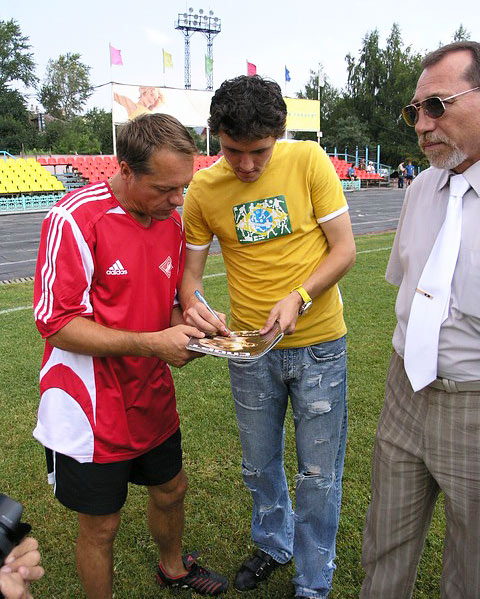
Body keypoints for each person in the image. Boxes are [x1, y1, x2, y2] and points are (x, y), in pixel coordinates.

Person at [33, 114, 228, 598]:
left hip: (150, 393)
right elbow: (55, 322)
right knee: (101, 526)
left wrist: (193, 319)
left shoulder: (171, 222)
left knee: (171, 489)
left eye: (183, 187)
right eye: (165, 188)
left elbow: (165, 300)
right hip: (89, 407)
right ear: (124, 169)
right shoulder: (73, 219)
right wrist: (150, 342)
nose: (177, 200)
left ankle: (173, 569)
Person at [180, 75, 356, 599]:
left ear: (278, 134)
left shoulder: (308, 162)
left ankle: (312, 581)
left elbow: (343, 249)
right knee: (259, 465)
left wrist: (299, 296)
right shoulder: (204, 190)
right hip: (250, 349)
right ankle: (275, 545)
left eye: (259, 151)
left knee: (318, 474)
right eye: (234, 151)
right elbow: (190, 282)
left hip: (320, 344)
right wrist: (196, 308)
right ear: (215, 136)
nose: (248, 165)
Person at [361, 41, 480, 599]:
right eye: (414, 111)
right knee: (384, 545)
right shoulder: (420, 189)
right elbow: (411, 291)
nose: (421, 124)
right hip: (404, 387)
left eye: (437, 106)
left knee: (472, 568)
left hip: (473, 404)